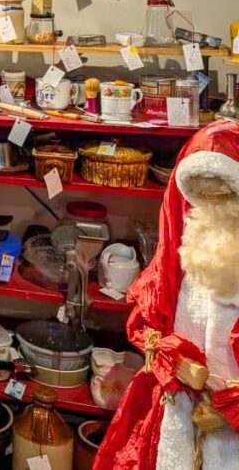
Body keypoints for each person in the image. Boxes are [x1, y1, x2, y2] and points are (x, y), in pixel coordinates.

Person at [95, 119, 239, 469]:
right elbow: (149, 328)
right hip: (177, 412)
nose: (210, 200)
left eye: (222, 190)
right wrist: (174, 362)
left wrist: (231, 408)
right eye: (200, 190)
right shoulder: (183, 255)